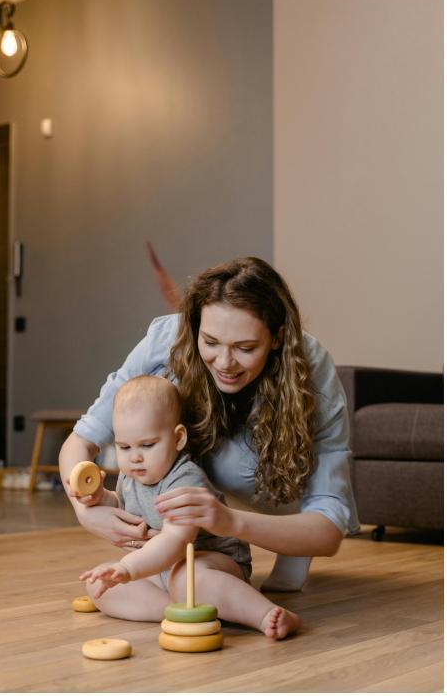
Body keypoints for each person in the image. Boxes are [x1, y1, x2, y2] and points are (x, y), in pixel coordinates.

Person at [59, 256, 359, 601]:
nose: (225, 363)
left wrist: (228, 521)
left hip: (267, 490)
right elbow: (81, 441)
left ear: (276, 339)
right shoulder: (166, 340)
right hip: (196, 488)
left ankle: (284, 541)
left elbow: (328, 530)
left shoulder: (311, 368)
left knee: (239, 477)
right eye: (211, 342)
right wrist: (86, 510)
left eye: (245, 348)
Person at [77, 375, 300, 638]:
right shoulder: (130, 477)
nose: (135, 457)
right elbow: (125, 510)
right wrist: (101, 500)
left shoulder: (185, 480)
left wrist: (129, 568)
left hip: (211, 561)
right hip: (161, 567)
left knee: (185, 579)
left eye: (148, 445)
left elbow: (176, 539)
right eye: (124, 447)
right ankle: (180, 609)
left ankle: (263, 614)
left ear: (178, 439)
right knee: (100, 586)